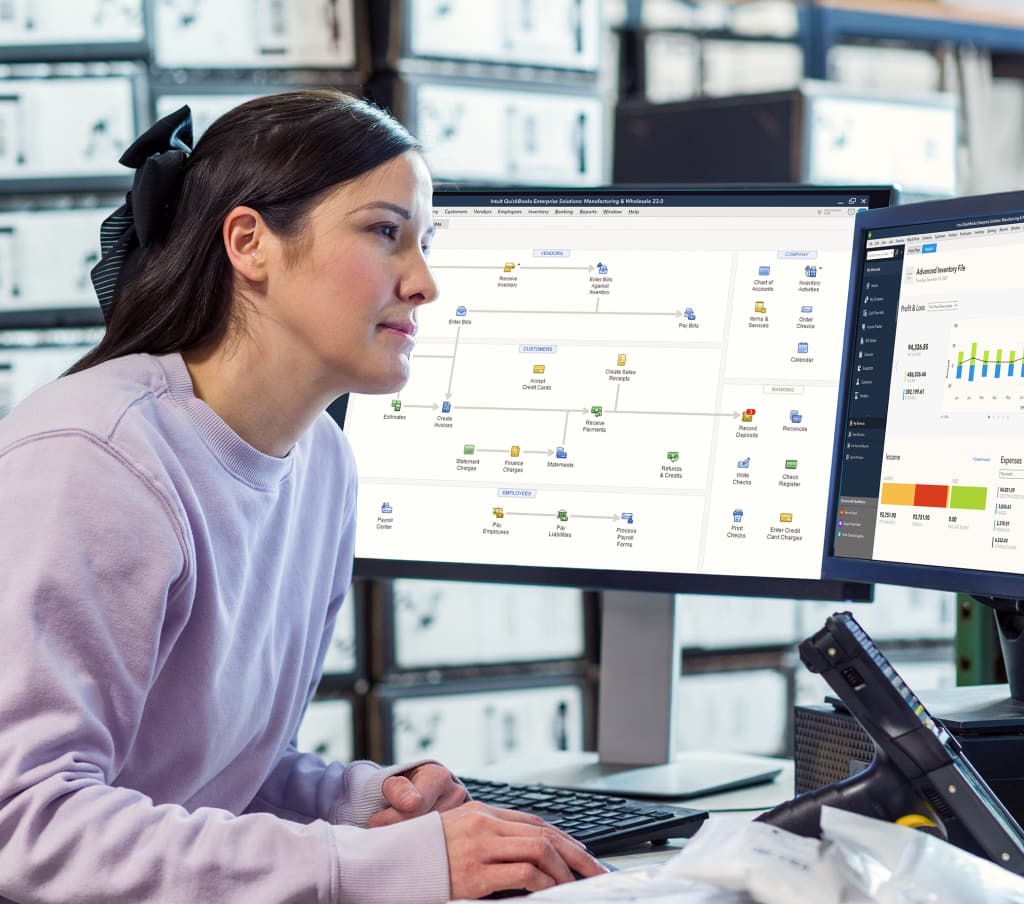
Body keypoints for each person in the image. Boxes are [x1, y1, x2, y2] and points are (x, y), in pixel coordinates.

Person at [0, 89, 605, 903]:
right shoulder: (95, 458)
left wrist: (361, 804)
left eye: (424, 243)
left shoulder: (322, 460)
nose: (423, 283)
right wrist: (372, 870)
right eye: (385, 233)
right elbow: (25, 825)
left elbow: (203, 769)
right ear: (250, 243)